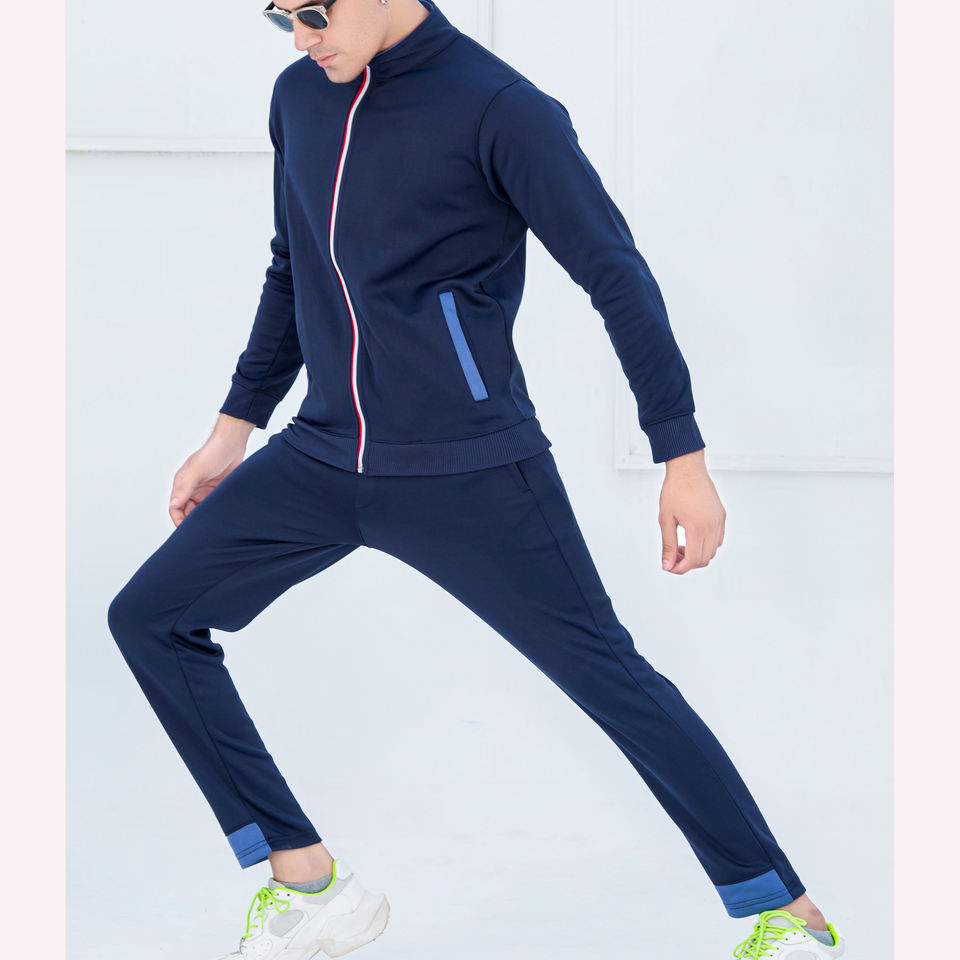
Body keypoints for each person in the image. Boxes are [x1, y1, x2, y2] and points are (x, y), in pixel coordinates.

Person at [106, 1, 846, 957]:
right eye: (280, 16)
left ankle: (787, 916)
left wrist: (683, 455)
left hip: (469, 469)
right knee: (150, 618)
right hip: (325, 452)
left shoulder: (502, 110)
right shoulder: (300, 97)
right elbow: (295, 269)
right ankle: (307, 881)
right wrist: (231, 430)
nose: (301, 39)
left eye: (317, 13)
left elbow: (616, 275)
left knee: (611, 679)